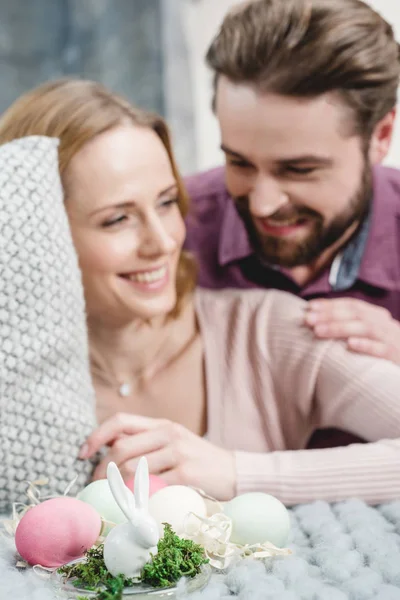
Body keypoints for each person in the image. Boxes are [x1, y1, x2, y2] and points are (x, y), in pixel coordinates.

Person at [2, 79, 400, 507]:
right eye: (117, 219)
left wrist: (234, 472)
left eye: (167, 203)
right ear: (36, 236)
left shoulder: (267, 329)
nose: (164, 241)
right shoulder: (17, 388)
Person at [184, 0, 400, 450]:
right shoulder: (170, 235)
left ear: (380, 137)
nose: (262, 205)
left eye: (299, 170)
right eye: (238, 162)